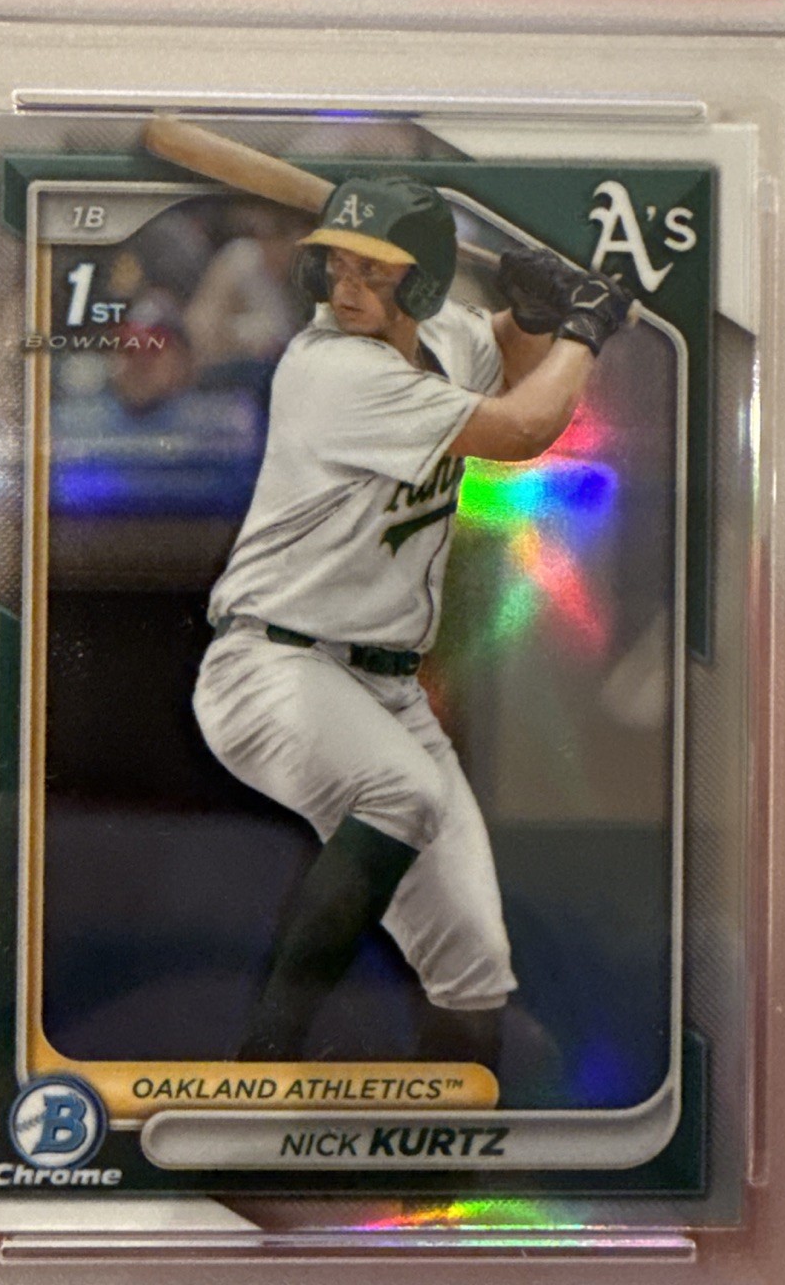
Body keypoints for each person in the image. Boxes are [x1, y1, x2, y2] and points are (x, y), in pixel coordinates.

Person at [192, 177, 631, 1088]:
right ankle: (263, 1062)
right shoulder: (330, 368)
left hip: (384, 684)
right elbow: (521, 426)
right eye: (336, 266)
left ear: (423, 284)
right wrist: (585, 329)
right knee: (399, 790)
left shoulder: (445, 336)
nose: (345, 288)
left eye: (374, 271)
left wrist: (533, 316)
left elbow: (497, 351)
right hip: (272, 667)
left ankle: (450, 1138)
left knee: (474, 959)